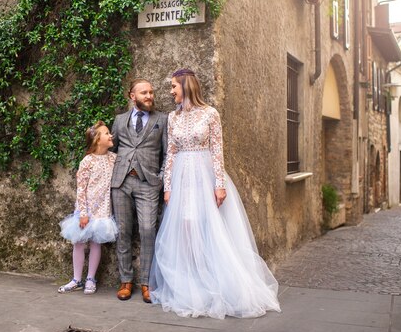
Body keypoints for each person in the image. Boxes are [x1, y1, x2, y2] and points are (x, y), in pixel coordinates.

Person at [149, 68, 281, 319]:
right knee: (185, 228)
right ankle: (191, 283)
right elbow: (171, 153)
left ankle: (213, 281)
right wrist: (168, 186)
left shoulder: (211, 114)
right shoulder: (172, 118)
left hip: (204, 175)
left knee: (209, 227)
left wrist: (219, 183)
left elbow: (217, 150)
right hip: (181, 178)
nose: (171, 91)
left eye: (174, 86)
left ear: (186, 86)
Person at [110, 79, 168, 303]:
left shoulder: (162, 120)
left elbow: (167, 153)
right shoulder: (119, 120)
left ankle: (147, 282)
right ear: (132, 96)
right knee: (123, 231)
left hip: (148, 184)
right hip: (121, 183)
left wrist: (161, 178)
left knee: (147, 230)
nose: (149, 96)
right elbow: (111, 150)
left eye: (151, 92)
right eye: (144, 92)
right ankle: (125, 281)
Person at [58, 121, 118, 295]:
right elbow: (81, 189)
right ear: (97, 140)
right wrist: (83, 213)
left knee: (96, 243)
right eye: (106, 133)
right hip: (86, 209)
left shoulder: (113, 159)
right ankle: (76, 279)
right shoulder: (87, 161)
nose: (111, 135)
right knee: (79, 242)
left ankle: (91, 278)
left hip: (103, 210)